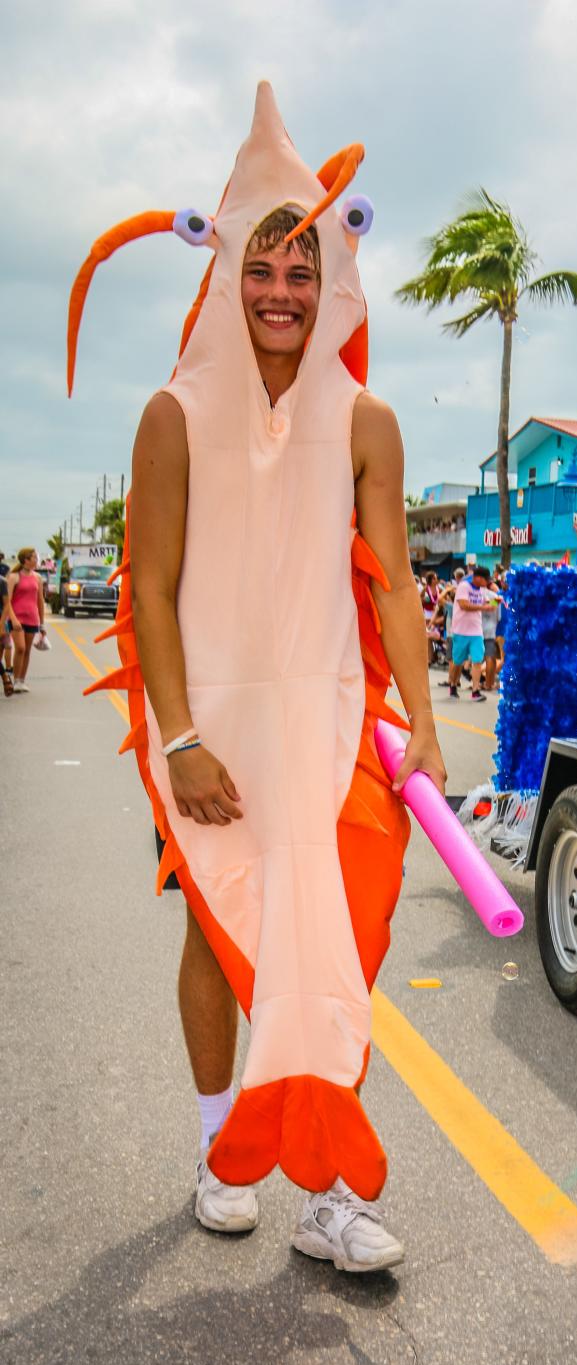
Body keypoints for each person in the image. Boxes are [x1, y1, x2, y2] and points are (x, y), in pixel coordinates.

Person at [69, 85, 446, 1271]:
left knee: (341, 938)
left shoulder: (371, 419)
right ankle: (216, 1140)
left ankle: (329, 1190)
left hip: (334, 722)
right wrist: (180, 739)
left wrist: (425, 724)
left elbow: (391, 587)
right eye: (261, 266)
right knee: (216, 935)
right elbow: (154, 590)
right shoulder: (172, 417)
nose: (282, 292)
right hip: (214, 725)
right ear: (224, 270)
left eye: (304, 265)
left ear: (335, 270)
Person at [449, 565, 493, 701]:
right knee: (458, 662)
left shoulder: (482, 590)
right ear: (478, 578)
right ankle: (453, 685)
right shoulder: (464, 586)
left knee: (477, 660)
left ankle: (475, 691)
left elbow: (490, 602)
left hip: (476, 631)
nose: (488, 583)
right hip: (460, 630)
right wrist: (483, 607)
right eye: (486, 580)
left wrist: (498, 601)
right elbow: (463, 605)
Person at [6, 547, 46, 693]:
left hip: (32, 619)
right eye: (34, 558)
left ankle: (22, 680)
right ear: (25, 560)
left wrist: (42, 624)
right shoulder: (14, 577)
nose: (36, 560)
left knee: (27, 650)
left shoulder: (38, 578)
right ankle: (16, 680)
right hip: (17, 619)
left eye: (36, 557)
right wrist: (13, 619)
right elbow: (7, 601)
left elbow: (40, 601)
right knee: (20, 648)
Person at [0, 569, 17, 696]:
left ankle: (5, 677)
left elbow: (6, 605)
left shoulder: (2, 582)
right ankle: (5, 677)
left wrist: (1, 624)